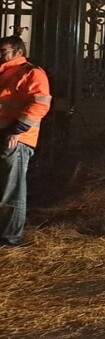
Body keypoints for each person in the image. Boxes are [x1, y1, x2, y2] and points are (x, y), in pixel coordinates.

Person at [0, 36, 52, 247]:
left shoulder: (32, 72)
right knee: (6, 188)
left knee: (11, 190)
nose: (0, 55)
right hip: (9, 135)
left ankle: (10, 240)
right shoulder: (6, 72)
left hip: (16, 139)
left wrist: (17, 131)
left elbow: (40, 104)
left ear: (19, 51)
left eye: (4, 51)